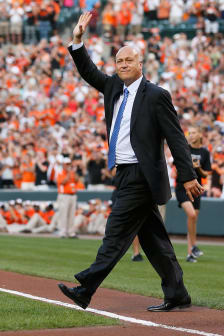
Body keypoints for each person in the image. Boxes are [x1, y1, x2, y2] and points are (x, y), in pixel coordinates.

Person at [58, 12, 203, 313]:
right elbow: (88, 71)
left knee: (115, 232)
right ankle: (177, 293)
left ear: (140, 64)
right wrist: (77, 40)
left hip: (142, 175)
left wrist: (187, 174)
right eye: (119, 61)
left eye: (129, 61)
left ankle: (85, 289)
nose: (123, 65)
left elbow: (176, 138)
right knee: (154, 241)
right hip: (123, 173)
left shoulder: (156, 95)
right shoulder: (113, 87)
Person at [175, 126, 212, 262]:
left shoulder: (205, 152)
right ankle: (194, 246)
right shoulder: (185, 148)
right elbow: (176, 168)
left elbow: (207, 173)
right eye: (189, 133)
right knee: (191, 215)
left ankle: (190, 253)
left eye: (194, 132)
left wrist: (198, 168)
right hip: (183, 187)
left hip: (197, 188)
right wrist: (188, 166)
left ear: (200, 134)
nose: (191, 135)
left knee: (193, 219)